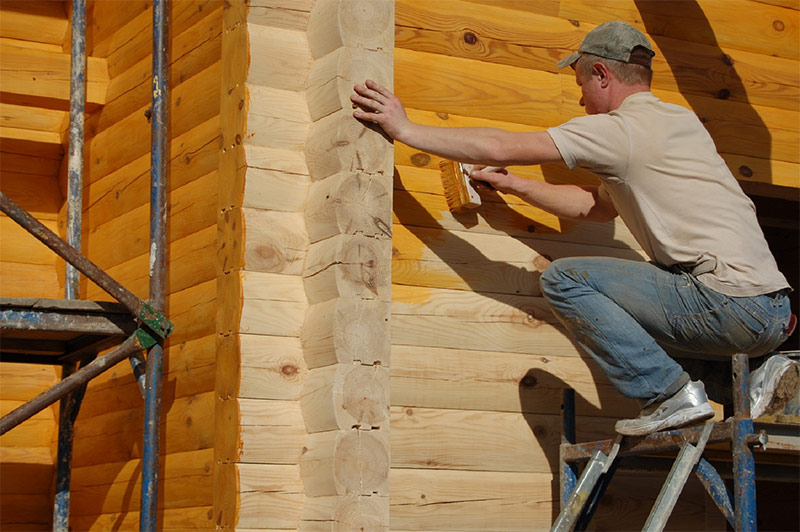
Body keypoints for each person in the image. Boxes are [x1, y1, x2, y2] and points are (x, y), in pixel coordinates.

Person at [351, 21, 798, 436]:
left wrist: (405, 128)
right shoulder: (677, 123)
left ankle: (669, 397)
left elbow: (501, 145)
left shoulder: (618, 130)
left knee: (565, 279)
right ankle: (757, 376)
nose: (582, 99)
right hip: (770, 312)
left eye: (581, 83)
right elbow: (597, 207)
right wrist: (514, 184)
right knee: (632, 321)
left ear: (602, 74)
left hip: (726, 304)